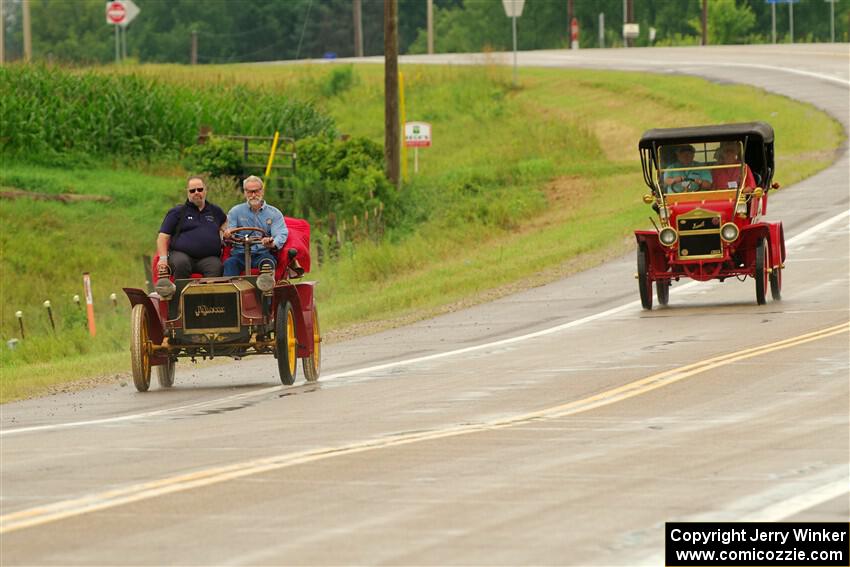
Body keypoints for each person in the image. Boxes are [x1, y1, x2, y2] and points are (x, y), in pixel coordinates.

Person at [156, 175, 227, 279]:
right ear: (188, 193)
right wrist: (162, 258)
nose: (196, 192)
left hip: (208, 258)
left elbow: (225, 221)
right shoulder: (177, 212)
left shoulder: (215, 211)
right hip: (181, 255)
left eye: (200, 189)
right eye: (192, 191)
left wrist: (224, 231)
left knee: (217, 267)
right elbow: (163, 237)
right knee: (181, 263)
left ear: (205, 191)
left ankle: (208, 295)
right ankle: (181, 295)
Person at [223, 176, 288, 281]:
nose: (253, 195)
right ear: (245, 193)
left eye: (256, 191)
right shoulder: (235, 211)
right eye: (249, 192)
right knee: (229, 264)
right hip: (240, 254)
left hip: (263, 253)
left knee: (268, 263)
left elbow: (281, 234)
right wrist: (228, 234)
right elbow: (230, 231)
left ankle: (267, 295)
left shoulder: (274, 213)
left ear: (262, 191)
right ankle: (231, 295)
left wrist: (272, 243)